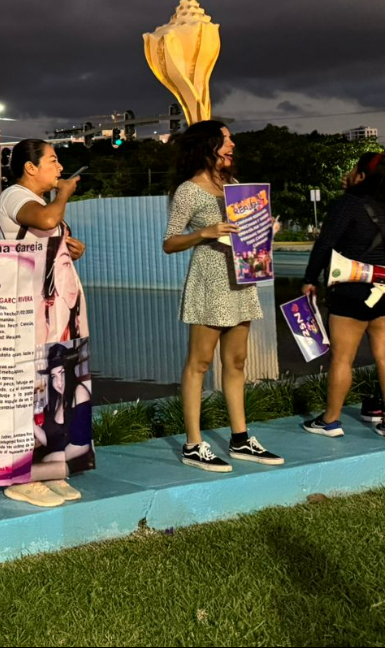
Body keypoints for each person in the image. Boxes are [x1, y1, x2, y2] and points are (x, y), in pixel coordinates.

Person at [163, 120, 283, 473]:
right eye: (226, 140)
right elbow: (169, 242)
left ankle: (241, 437)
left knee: (237, 362)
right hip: (209, 281)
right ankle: (193, 444)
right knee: (199, 362)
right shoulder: (188, 191)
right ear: (207, 146)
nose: (232, 146)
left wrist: (264, 231)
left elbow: (244, 235)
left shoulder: (234, 187)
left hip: (241, 278)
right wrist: (204, 232)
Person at [0, 139, 87, 507]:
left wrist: (71, 247)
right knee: (29, 390)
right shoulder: (15, 197)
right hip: (26, 313)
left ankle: (50, 466)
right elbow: (46, 219)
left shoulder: (45, 205)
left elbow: (49, 235)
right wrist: (62, 196)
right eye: (53, 160)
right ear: (30, 168)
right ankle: (19, 474)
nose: (60, 168)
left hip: (56, 313)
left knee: (56, 390)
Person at [302, 150, 385, 438]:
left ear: (362, 176)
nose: (346, 175)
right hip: (384, 290)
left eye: (353, 170)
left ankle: (330, 421)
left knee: (342, 359)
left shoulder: (348, 204)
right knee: (384, 356)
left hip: (350, 291)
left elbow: (325, 244)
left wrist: (310, 279)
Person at [33, 342, 93, 480]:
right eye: (54, 377)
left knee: (26, 474)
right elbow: (50, 441)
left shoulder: (79, 392)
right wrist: (31, 422)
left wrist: (50, 458)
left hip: (74, 463)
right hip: (53, 459)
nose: (58, 382)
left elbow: (82, 446)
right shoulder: (56, 400)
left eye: (62, 374)